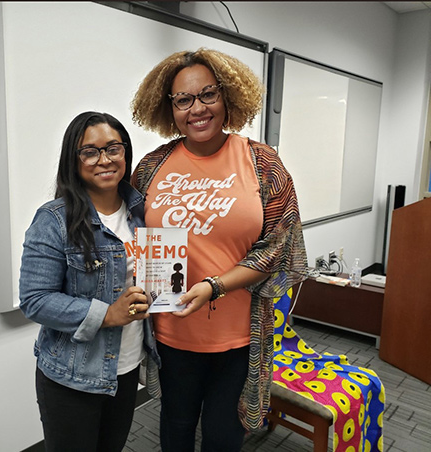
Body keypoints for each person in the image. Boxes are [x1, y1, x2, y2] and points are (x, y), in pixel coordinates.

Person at [130, 48, 309, 452]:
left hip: (239, 337)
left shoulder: (262, 164)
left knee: (223, 436)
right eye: (183, 100)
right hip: (171, 333)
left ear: (228, 97)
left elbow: (278, 248)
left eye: (208, 94)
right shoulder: (150, 167)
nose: (197, 108)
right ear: (169, 108)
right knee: (175, 429)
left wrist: (214, 286)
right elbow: (125, 233)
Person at [18, 111, 160, 452]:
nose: (104, 160)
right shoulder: (54, 219)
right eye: (90, 151)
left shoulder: (142, 212)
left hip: (126, 367)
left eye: (114, 148)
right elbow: (35, 299)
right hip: (72, 376)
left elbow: (152, 275)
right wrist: (108, 314)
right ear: (74, 159)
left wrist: (159, 295)